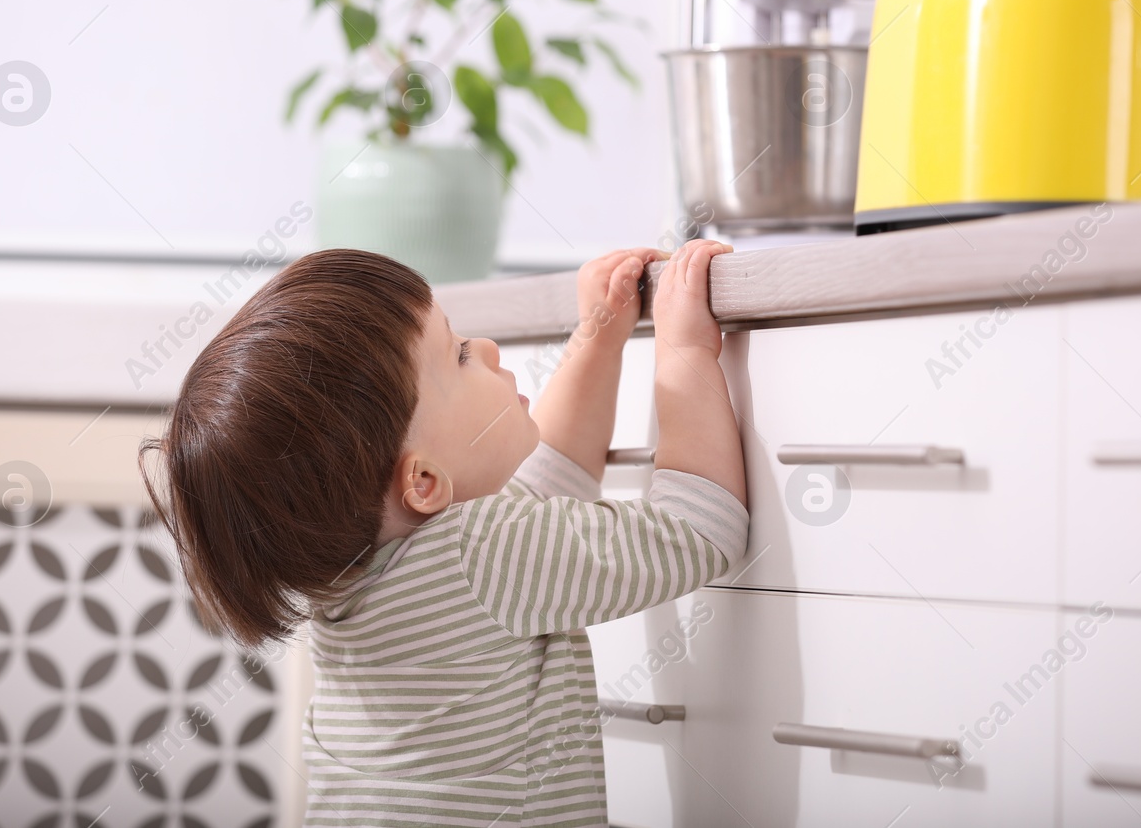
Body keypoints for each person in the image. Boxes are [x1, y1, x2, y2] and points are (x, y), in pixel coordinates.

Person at [140, 238, 749, 825]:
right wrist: (685, 350)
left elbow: (545, 491)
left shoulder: (353, 576)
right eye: (458, 355)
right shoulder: (481, 552)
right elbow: (698, 531)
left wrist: (597, 336)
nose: (485, 347)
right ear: (425, 481)